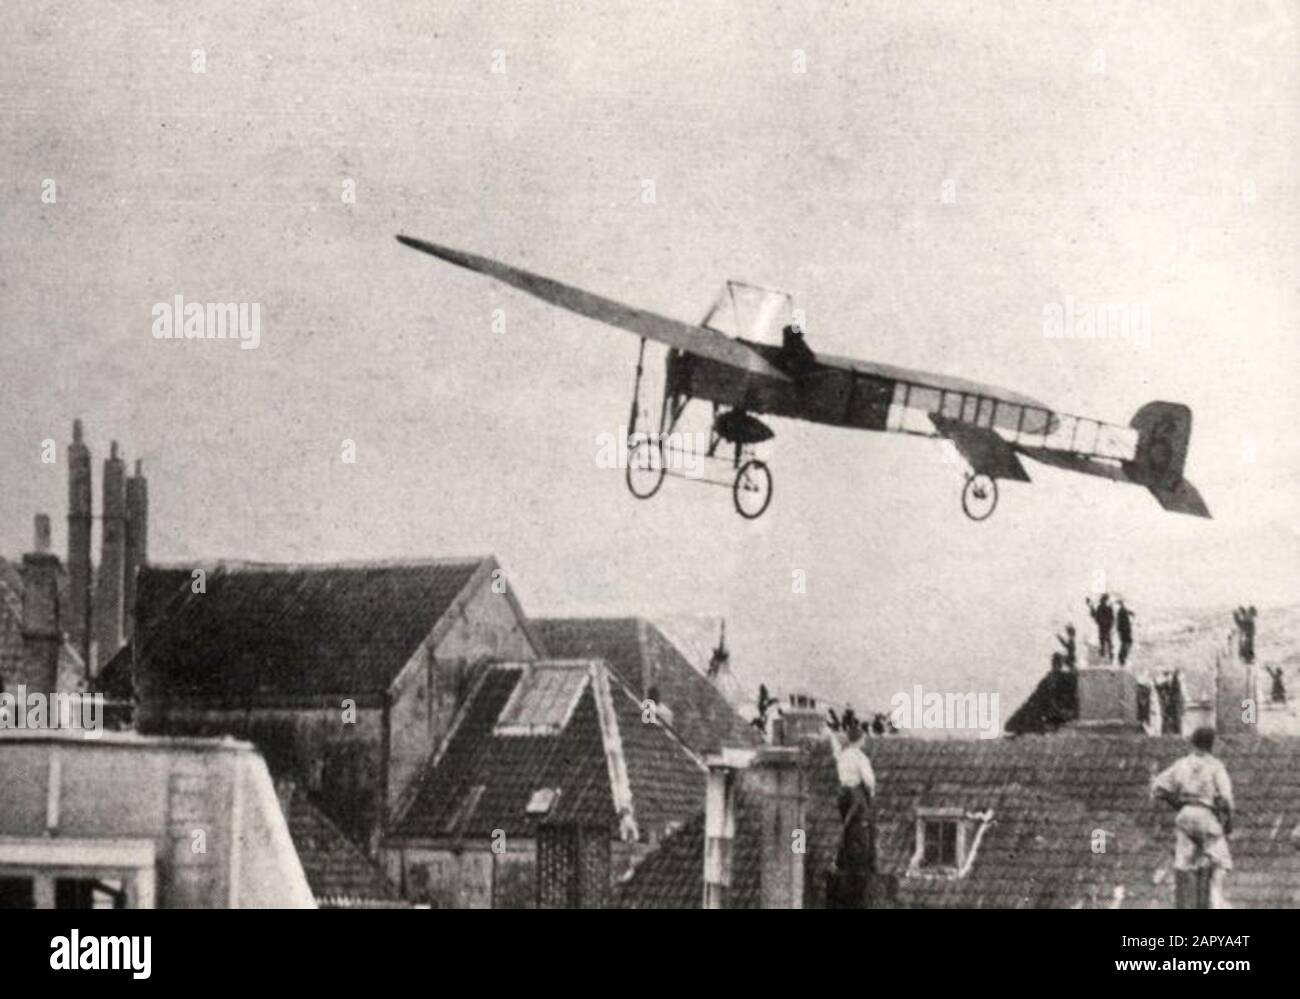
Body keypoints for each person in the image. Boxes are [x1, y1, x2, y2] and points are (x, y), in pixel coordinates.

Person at [1151, 726, 1234, 909]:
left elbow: (1158, 788)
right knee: (1222, 863)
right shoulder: (1215, 766)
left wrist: (1178, 804)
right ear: (1212, 744)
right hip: (1205, 815)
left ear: (1193, 742)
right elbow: (1227, 799)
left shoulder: (1182, 764)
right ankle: (1216, 903)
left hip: (1185, 816)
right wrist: (1228, 825)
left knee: (1185, 865)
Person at [826, 717, 876, 908]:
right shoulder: (860, 758)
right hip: (856, 793)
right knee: (861, 827)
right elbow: (869, 781)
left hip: (843, 794)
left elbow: (835, 751)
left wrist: (830, 734)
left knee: (846, 826)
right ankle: (860, 864)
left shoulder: (843, 755)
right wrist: (870, 795)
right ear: (860, 740)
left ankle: (843, 860)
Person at [1086, 593, 1115, 662]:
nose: (1103, 601)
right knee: (1106, 642)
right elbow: (1096, 616)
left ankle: (1107, 656)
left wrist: (1091, 606)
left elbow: (1095, 616)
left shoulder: (1105, 608)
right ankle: (1107, 656)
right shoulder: (1105, 608)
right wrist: (1091, 606)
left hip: (1104, 628)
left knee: (1105, 642)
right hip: (1104, 628)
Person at [1116, 600, 1136, 666]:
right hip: (1125, 631)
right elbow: (1129, 613)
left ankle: (1122, 658)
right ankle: (1122, 659)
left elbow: (1129, 612)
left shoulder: (1122, 611)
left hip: (1124, 631)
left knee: (1126, 644)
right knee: (1127, 643)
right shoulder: (1121, 611)